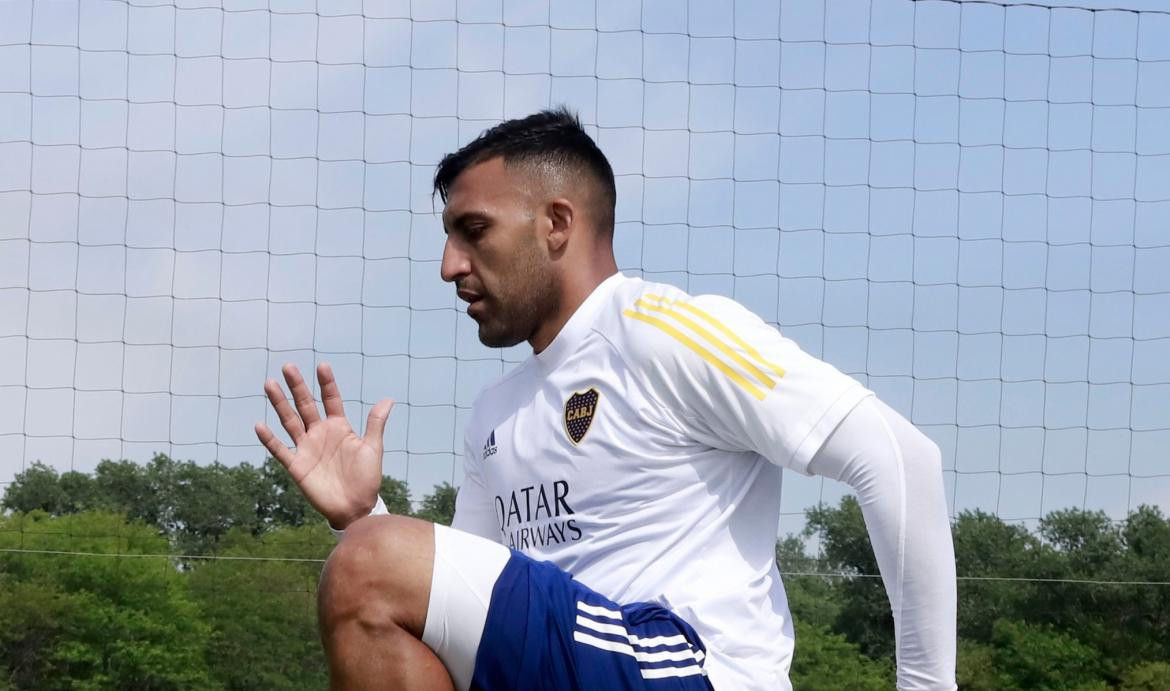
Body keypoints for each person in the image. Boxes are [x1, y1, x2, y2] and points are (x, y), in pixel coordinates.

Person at [255, 107, 957, 690]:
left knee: (370, 565)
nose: (450, 267)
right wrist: (362, 516)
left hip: (689, 668)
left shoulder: (664, 332)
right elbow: (452, 616)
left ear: (556, 224)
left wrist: (926, 684)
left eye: (473, 231)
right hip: (578, 665)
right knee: (374, 567)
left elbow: (898, 457)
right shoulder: (494, 413)